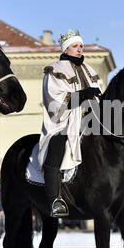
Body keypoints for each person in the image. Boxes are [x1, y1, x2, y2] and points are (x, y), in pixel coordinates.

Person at [38, 29, 102, 217]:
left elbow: (99, 94)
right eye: (75, 46)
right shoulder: (54, 69)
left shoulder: (90, 70)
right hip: (64, 122)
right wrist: (81, 96)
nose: (79, 49)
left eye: (81, 45)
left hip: (91, 120)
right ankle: (55, 199)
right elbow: (54, 101)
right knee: (58, 146)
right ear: (66, 49)